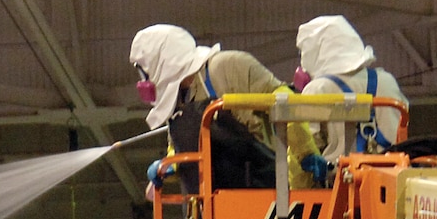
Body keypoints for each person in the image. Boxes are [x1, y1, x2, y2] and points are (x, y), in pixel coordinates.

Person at [129, 24, 319, 198]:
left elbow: (284, 101)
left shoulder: (226, 67)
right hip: (210, 212)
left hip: (261, 195)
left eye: (143, 71)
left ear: (159, 61)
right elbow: (181, 148)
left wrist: (305, 152)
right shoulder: (178, 101)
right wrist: (169, 165)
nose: (144, 80)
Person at [293, 15, 407, 175]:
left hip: (340, 183)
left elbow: (308, 144)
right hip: (391, 176)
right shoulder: (386, 80)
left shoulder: (317, 89)